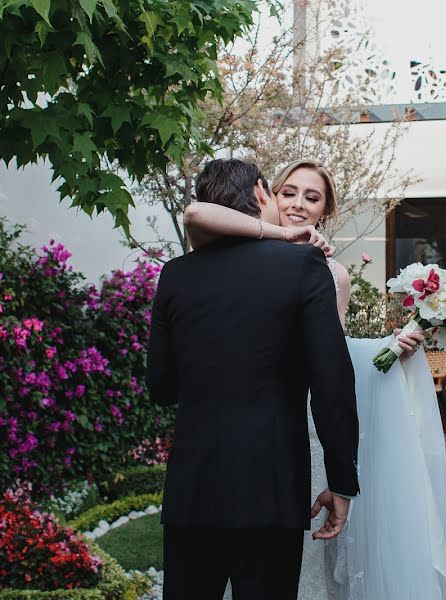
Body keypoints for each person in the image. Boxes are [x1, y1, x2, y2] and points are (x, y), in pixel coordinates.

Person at [183, 160, 446, 600]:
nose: (297, 204)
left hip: (297, 426)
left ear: (325, 211)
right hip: (234, 430)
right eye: (288, 192)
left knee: (297, 567)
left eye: (311, 198)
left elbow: (330, 359)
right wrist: (282, 235)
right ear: (266, 196)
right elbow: (197, 215)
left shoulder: (332, 274)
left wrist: (387, 347)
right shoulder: (230, 246)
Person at [148, 159, 360, 599]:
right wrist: (341, 480)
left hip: (193, 490)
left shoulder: (175, 275)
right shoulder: (304, 265)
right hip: (272, 489)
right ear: (263, 193)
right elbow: (331, 383)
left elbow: (161, 387)